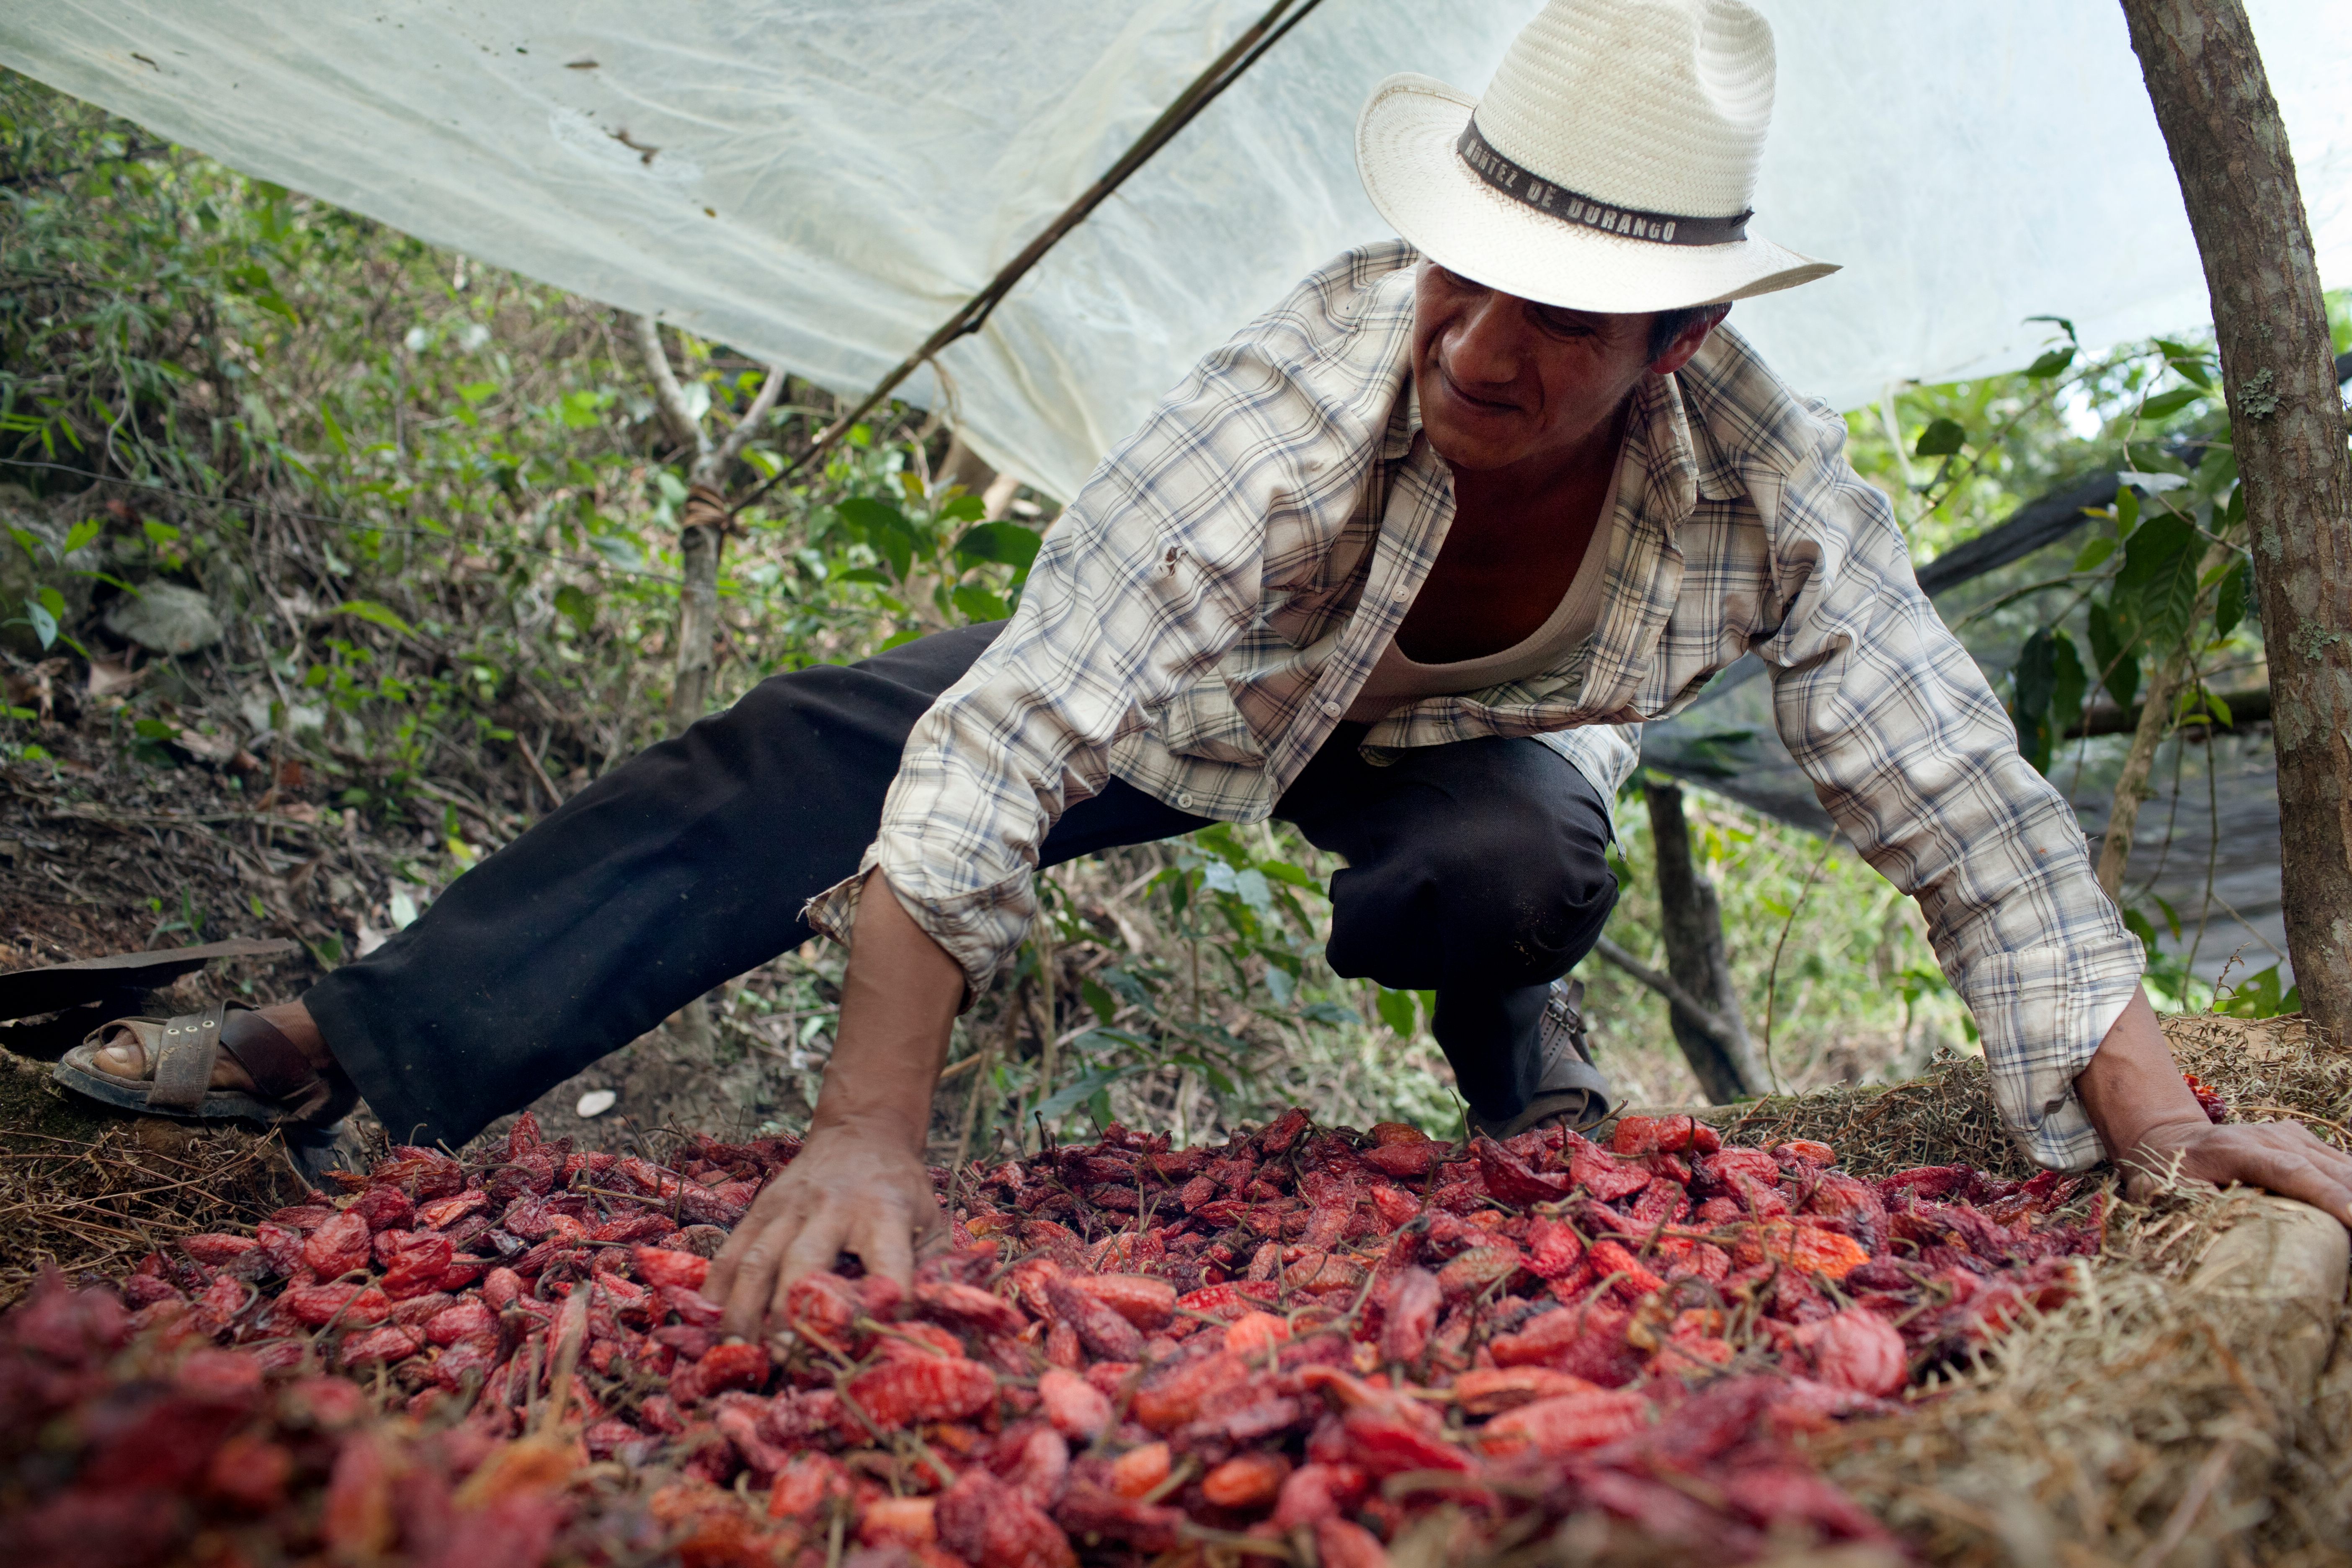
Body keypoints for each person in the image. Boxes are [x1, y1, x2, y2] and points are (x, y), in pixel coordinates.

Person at [58, 0, 2352, 1340]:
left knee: (1517, 855)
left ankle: (1515, 1060)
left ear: (1686, 336)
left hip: (1468, 754)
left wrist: (2155, 1128)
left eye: (1560, 317)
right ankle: (343, 1039)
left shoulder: (1769, 484)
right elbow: (1007, 746)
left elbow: (1963, 809)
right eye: (1466, 276)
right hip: (1195, 693)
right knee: (803, 753)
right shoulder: (1306, 402)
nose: (1479, 342)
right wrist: (873, 1134)